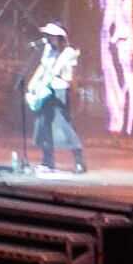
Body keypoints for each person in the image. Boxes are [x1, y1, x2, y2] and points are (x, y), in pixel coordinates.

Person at [25, 21, 89, 170]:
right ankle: (48, 161)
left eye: (52, 35)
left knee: (64, 125)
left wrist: (59, 81)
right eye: (48, 35)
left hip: (60, 91)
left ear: (60, 37)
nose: (49, 38)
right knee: (44, 124)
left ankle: (80, 162)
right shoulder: (48, 49)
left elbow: (67, 75)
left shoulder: (68, 52)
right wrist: (32, 86)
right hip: (45, 90)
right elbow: (43, 68)